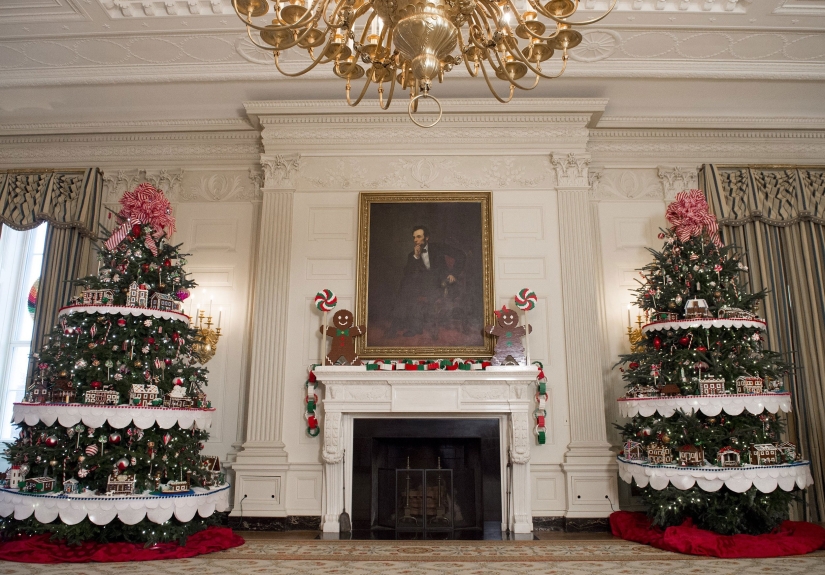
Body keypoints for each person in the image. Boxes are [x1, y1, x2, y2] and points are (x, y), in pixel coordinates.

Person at [391, 225, 466, 338]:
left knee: (408, 287)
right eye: (414, 237)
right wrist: (416, 257)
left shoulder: (438, 248)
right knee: (407, 285)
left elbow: (461, 255)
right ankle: (410, 326)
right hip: (422, 286)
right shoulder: (412, 255)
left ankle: (399, 325)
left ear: (427, 238)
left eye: (419, 236)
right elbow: (407, 273)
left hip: (441, 284)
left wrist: (453, 273)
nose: (416, 240)